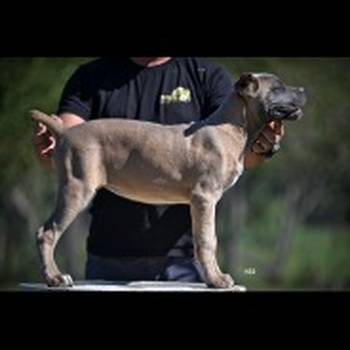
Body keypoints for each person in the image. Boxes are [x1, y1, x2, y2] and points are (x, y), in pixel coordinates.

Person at [32, 57, 284, 283]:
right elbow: (73, 139)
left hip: (184, 263)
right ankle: (48, 249)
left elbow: (237, 154)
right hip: (109, 257)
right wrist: (53, 144)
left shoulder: (204, 73)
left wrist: (263, 146)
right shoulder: (91, 76)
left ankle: (209, 265)